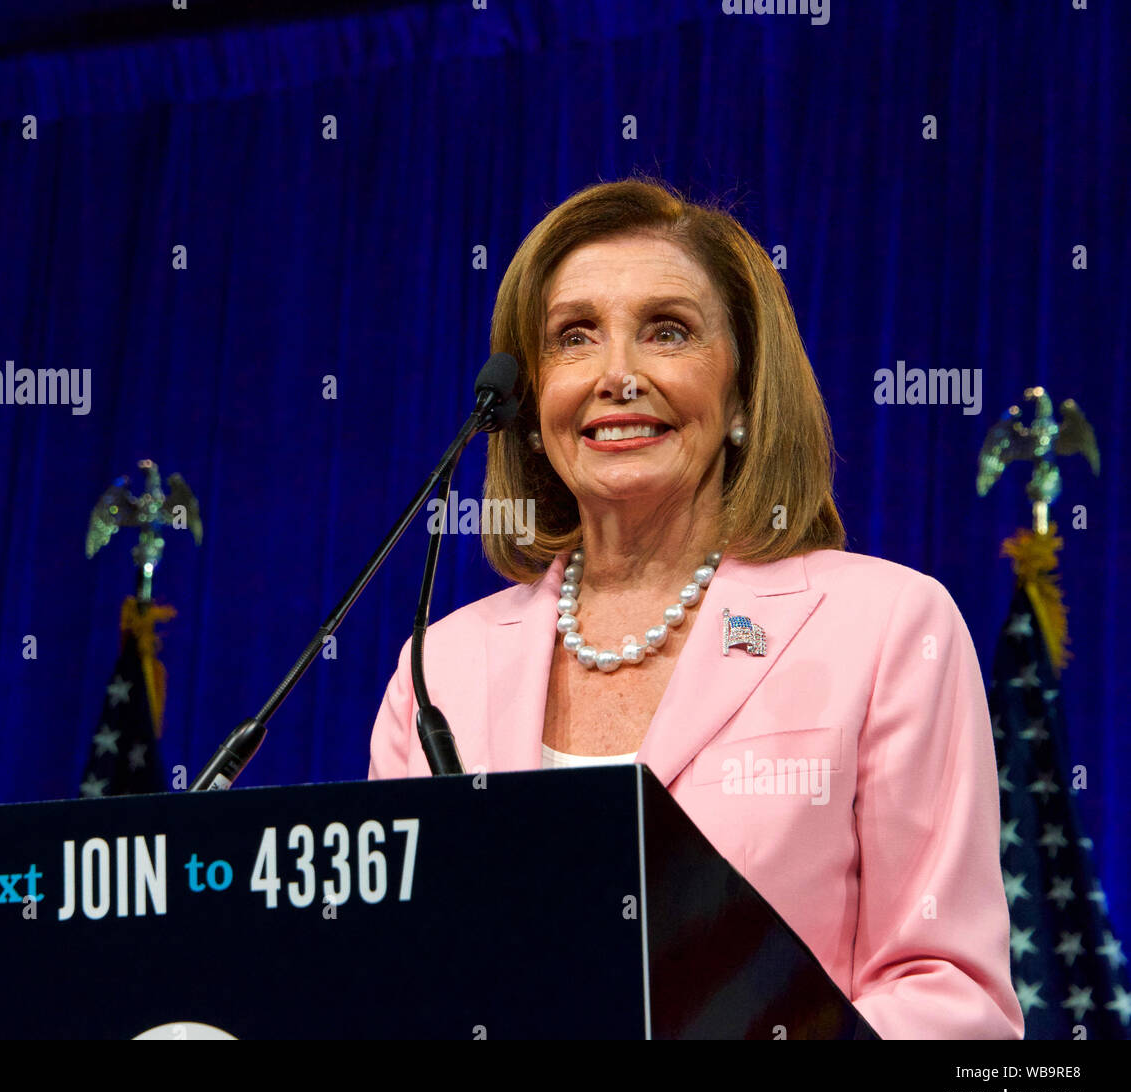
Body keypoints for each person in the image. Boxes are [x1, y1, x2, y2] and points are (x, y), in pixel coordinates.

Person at [369, 177, 1024, 1040]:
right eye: (574, 338)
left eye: (666, 332)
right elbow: (399, 986)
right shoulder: (439, 671)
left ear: (745, 392)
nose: (617, 375)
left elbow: (948, 996)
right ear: (530, 409)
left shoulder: (889, 627)